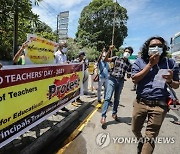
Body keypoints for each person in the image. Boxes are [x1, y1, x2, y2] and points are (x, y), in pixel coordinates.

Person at [131, 36, 179, 154]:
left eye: (159, 46)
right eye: (152, 46)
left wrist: (170, 81)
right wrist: (150, 65)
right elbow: (134, 79)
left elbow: (176, 85)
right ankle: (140, 142)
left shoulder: (170, 63)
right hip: (140, 103)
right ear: (147, 48)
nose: (156, 48)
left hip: (159, 106)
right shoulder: (140, 61)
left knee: (151, 136)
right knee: (135, 129)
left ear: (164, 48)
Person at [100, 45, 133, 125]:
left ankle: (114, 113)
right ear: (123, 52)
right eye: (126, 51)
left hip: (121, 81)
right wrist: (109, 50)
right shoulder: (116, 58)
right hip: (112, 79)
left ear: (130, 54)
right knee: (108, 98)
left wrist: (130, 74)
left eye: (129, 52)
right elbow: (105, 60)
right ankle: (103, 116)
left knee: (117, 99)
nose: (127, 53)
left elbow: (128, 75)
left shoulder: (129, 64)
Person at [54, 41, 69, 112]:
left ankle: (62, 106)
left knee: (63, 92)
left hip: (64, 76)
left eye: (66, 46)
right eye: (64, 46)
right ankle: (55, 109)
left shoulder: (65, 55)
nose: (65, 48)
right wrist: (63, 64)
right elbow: (54, 66)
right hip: (57, 77)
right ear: (60, 47)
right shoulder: (56, 54)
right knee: (56, 94)